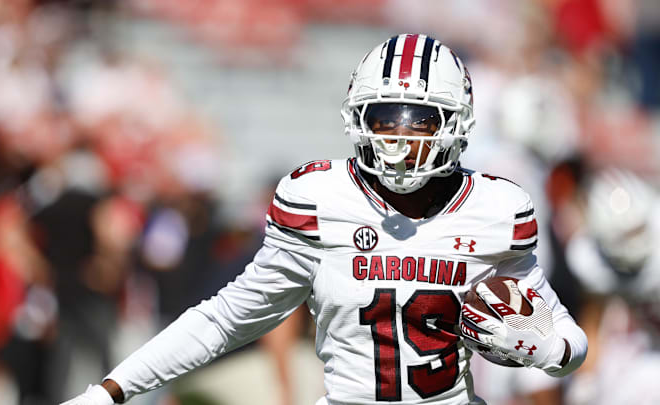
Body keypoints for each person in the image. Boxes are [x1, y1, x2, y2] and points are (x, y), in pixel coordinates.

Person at [61, 34, 587, 405]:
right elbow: (224, 320)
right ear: (359, 117)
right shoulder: (318, 198)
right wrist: (110, 391)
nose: (398, 141)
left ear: (456, 124)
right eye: (384, 118)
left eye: (419, 121)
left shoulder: (496, 210)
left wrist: (552, 349)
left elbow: (566, 335)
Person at [564, 168, 660, 405]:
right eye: (624, 235)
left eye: (638, 230)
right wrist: (585, 380)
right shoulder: (592, 261)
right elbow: (594, 315)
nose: (634, 242)